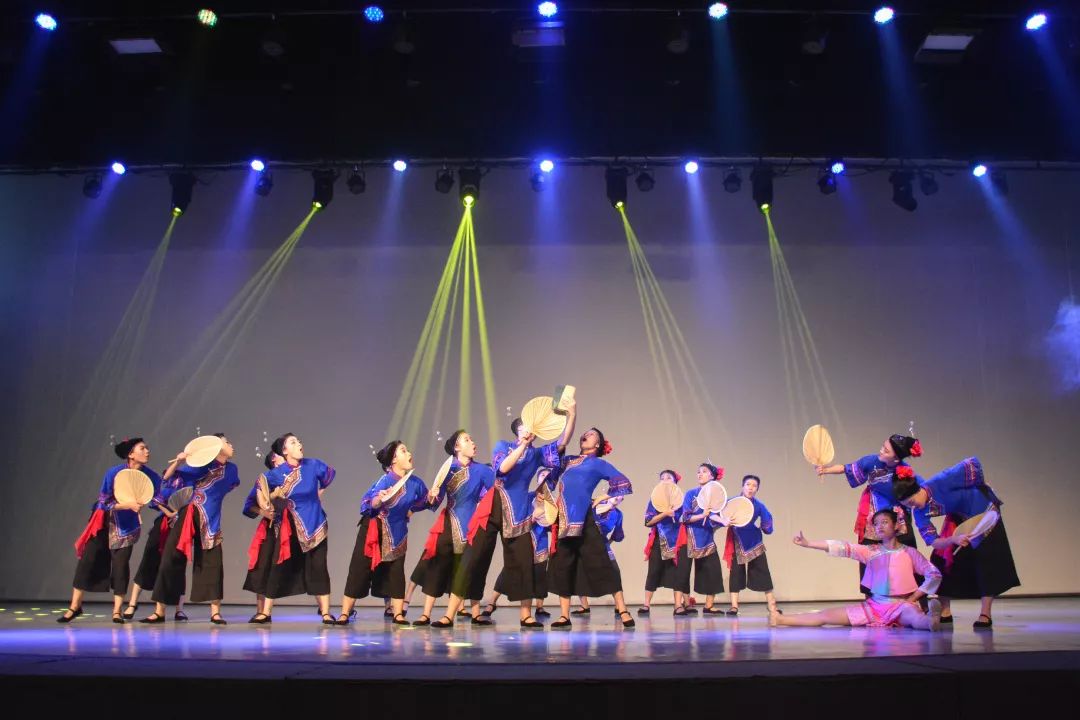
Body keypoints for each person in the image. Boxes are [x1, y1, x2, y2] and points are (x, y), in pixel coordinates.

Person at [433, 400, 577, 629]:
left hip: (519, 511)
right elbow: (502, 469)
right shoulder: (503, 446)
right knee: (472, 558)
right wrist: (522, 445)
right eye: (526, 427)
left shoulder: (537, 454)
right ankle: (449, 614)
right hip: (492, 507)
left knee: (523, 561)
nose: (530, 430)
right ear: (519, 430)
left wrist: (572, 414)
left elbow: (563, 442)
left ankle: (526, 615)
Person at [894, 456, 1020, 629]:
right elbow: (933, 541)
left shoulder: (938, 482)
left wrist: (982, 485)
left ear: (918, 489)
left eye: (912, 501)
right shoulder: (918, 511)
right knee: (941, 560)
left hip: (984, 511)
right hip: (961, 517)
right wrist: (953, 539)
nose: (913, 506)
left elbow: (972, 464)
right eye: (908, 505)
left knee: (986, 560)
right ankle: (945, 610)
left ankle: (985, 613)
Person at [770, 510, 942, 631]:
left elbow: (933, 574)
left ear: (896, 525)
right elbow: (843, 547)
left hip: (901, 605)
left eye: (884, 522)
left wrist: (914, 597)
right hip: (875, 606)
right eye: (876, 524)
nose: (879, 527)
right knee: (825, 616)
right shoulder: (871, 551)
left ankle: (931, 621)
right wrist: (809, 544)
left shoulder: (909, 552)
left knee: (915, 618)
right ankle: (780, 619)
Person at [60, 438, 166, 624]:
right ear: (131, 454)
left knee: (120, 566)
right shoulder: (114, 472)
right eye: (142, 448)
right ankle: (75, 606)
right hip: (104, 522)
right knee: (87, 561)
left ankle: (117, 611)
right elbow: (104, 501)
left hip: (127, 527)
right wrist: (126, 505)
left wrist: (167, 508)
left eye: (147, 448)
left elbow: (156, 500)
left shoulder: (151, 476)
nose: (147, 451)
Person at [143, 434, 240, 625]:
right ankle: (159, 611)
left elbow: (228, 486)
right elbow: (168, 478)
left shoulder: (231, 469)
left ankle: (215, 612)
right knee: (170, 559)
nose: (232, 445)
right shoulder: (201, 464)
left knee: (213, 563)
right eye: (227, 442)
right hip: (189, 514)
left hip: (211, 518)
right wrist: (179, 461)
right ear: (217, 446)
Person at [338, 440, 435, 626]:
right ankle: (345, 612)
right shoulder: (385, 481)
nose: (409, 453)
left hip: (397, 530)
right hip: (374, 530)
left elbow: (426, 501)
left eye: (407, 450)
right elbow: (370, 502)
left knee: (396, 571)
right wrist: (378, 500)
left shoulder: (415, 482)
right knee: (359, 569)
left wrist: (431, 496)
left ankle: (398, 614)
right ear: (393, 460)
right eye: (403, 451)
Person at [547, 427, 634, 630]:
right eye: (585, 433)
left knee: (602, 562)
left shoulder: (598, 463)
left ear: (597, 444)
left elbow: (623, 482)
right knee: (563, 565)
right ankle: (564, 615)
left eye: (592, 434)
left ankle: (623, 609)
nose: (586, 434)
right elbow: (551, 471)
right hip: (564, 518)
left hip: (584, 517)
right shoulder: (568, 460)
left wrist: (606, 495)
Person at [815, 434, 924, 591]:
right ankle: (871, 597)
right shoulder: (871, 461)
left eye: (886, 450)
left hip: (897, 516)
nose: (881, 450)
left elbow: (925, 489)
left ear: (896, 458)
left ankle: (917, 597)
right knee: (869, 554)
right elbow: (846, 468)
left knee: (907, 554)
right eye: (883, 446)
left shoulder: (905, 472)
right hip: (874, 513)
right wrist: (825, 470)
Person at [408, 430, 494, 627]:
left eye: (471, 439)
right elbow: (435, 501)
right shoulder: (448, 470)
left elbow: (495, 493)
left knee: (466, 571)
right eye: (467, 440)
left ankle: (454, 615)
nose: (472, 442)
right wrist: (432, 496)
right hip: (449, 523)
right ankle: (426, 614)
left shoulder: (482, 471)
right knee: (437, 568)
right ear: (457, 447)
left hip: (471, 527)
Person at [260, 433, 335, 624]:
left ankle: (326, 613)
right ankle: (266, 612)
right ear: (285, 451)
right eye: (293, 442)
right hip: (291, 526)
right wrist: (271, 499)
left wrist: (318, 493)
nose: (299, 443)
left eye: (299, 441)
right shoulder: (277, 473)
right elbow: (261, 488)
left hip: (315, 523)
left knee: (319, 567)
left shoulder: (313, 464)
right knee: (278, 566)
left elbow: (328, 476)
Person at [124, 466, 181, 621]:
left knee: (174, 567)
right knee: (148, 562)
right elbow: (154, 500)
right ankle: (132, 604)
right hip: (161, 526)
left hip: (179, 528)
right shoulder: (164, 486)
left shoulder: (189, 486)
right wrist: (168, 512)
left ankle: (178, 609)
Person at [723, 474, 779, 617]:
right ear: (743, 486)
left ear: (757, 489)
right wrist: (724, 520)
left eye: (754, 486)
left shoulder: (759, 505)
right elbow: (718, 516)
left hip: (754, 541)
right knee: (736, 573)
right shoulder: (732, 502)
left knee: (763, 571)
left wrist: (766, 527)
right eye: (748, 484)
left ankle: (772, 605)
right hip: (737, 540)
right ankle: (734, 606)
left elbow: (767, 523)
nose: (751, 488)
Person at [640, 470, 691, 616]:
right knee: (653, 571)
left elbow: (687, 519)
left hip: (679, 540)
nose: (665, 480)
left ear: (675, 482)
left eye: (669, 477)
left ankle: (678, 605)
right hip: (660, 538)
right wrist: (664, 514)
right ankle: (646, 605)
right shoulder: (654, 500)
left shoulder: (682, 499)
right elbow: (648, 522)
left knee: (679, 572)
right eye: (662, 478)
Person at [242, 451, 285, 623]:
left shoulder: (296, 474)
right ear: (274, 458)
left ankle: (324, 610)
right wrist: (264, 512)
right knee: (264, 567)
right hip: (272, 528)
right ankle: (262, 611)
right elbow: (249, 506)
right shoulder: (266, 479)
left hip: (293, 527)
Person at [678, 463, 727, 615]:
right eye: (698, 472)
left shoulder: (716, 496)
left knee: (713, 571)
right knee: (683, 572)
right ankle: (684, 604)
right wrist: (701, 515)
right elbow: (685, 517)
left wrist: (723, 521)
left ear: (712, 476)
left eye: (704, 472)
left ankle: (709, 606)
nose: (700, 474)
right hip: (688, 537)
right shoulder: (691, 494)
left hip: (706, 538)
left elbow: (714, 516)